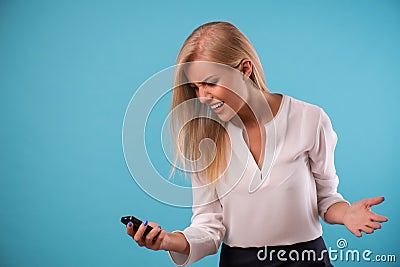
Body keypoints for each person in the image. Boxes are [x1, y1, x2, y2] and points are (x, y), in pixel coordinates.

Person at [125, 21, 388, 266]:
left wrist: (346, 215)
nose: (202, 97)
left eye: (210, 83)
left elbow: (326, 199)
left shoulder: (310, 119)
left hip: (308, 258)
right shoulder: (205, 138)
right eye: (195, 87)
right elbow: (208, 225)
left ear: (244, 69)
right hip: (238, 261)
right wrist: (169, 241)